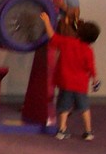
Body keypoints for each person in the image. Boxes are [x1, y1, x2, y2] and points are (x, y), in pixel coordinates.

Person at [40, 12, 101, 141]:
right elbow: (91, 68)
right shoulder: (88, 51)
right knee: (84, 107)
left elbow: (52, 36)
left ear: (79, 32)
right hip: (81, 85)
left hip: (66, 82)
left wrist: (46, 20)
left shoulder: (68, 42)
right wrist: (95, 80)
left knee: (64, 107)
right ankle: (88, 131)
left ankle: (62, 130)